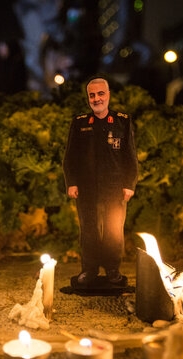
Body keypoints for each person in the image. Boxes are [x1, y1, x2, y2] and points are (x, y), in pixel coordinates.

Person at [63, 77, 138, 288]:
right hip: (86, 186)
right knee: (88, 229)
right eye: (92, 95)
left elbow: (130, 155)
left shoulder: (122, 120)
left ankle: (113, 270)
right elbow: (71, 156)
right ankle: (89, 269)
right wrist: (72, 182)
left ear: (108, 95)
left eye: (100, 94)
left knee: (114, 230)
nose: (96, 99)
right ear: (88, 98)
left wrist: (129, 184)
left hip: (115, 185)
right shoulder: (80, 122)